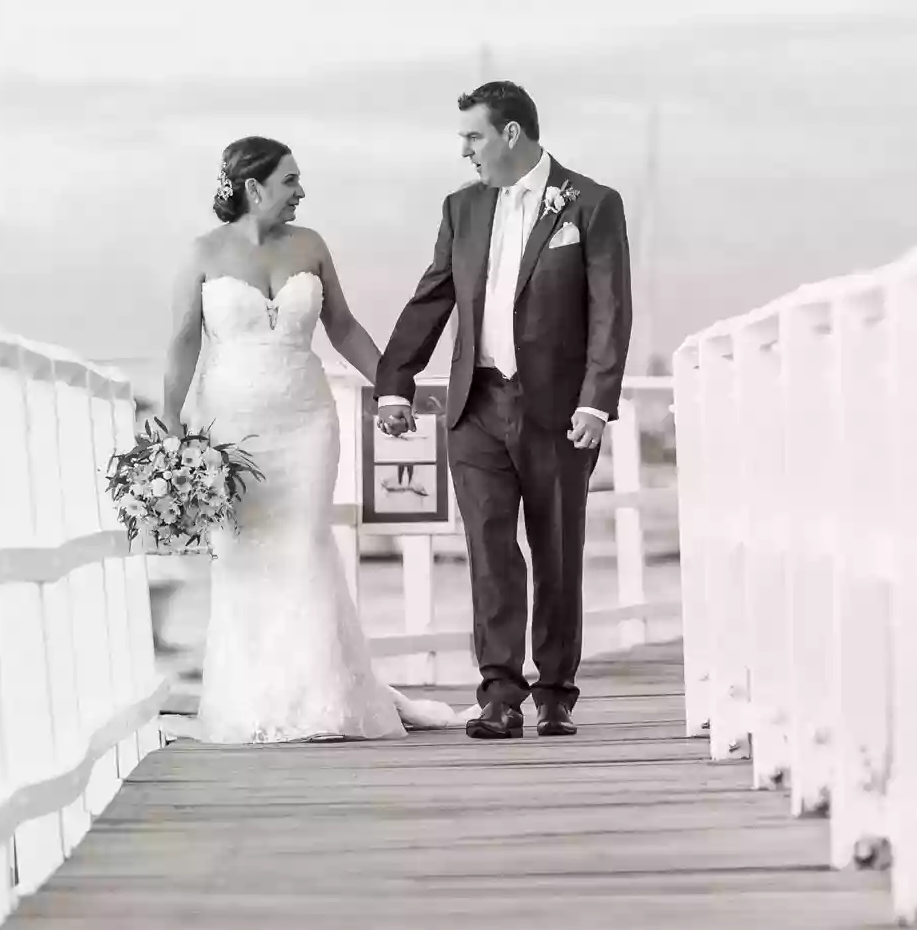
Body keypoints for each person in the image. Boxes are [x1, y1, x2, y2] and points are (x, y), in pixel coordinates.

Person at [158, 136, 460, 743]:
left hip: (306, 422)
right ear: (255, 187)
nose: (301, 191)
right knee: (243, 557)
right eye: (291, 180)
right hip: (231, 431)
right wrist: (172, 426)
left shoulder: (311, 246)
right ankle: (257, 700)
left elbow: (342, 326)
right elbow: (184, 342)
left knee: (304, 545)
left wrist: (391, 387)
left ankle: (322, 697)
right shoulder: (202, 254)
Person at [377, 81, 632, 739]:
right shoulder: (461, 208)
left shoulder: (593, 204)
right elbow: (432, 297)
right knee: (490, 551)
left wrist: (596, 403)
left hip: (558, 411)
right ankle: (498, 694)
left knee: (556, 551)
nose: (465, 151)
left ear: (511, 134)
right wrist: (396, 382)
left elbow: (610, 311)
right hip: (476, 406)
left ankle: (554, 694)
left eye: (474, 137)